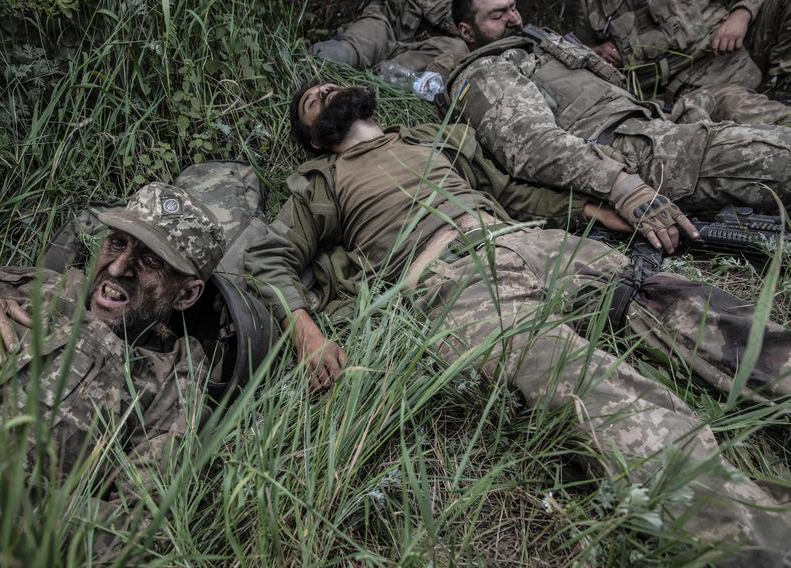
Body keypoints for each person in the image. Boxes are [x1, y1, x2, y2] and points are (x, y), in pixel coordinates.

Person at [244, 81, 791, 564]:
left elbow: (509, 194)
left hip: (534, 240)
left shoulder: (434, 138)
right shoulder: (321, 178)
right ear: (315, 138)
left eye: (330, 85)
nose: (327, 91)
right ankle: (759, 540)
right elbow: (271, 259)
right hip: (455, 277)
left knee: (696, 309)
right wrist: (307, 333)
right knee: (582, 385)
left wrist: (591, 212)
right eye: (313, 100)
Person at [0, 182, 228, 491]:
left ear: (186, 295)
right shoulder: (47, 289)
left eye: (151, 261)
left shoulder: (171, 389)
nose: (118, 267)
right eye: (117, 243)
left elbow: (128, 530)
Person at [444, 0, 791, 256]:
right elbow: (533, 145)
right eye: (497, 15)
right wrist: (622, 186)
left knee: (734, 102)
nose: (513, 18)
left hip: (657, 124)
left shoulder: (536, 48)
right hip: (637, 153)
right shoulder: (485, 70)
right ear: (466, 31)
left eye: (513, 8)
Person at [578, 0, 791, 122]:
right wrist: (595, 52)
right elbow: (577, 49)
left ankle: (783, 90)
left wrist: (742, 13)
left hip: (742, 45)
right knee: (740, 110)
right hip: (695, 87)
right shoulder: (590, 5)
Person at [310, 0, 469, 79]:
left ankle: (374, 80)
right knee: (345, 51)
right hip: (388, 23)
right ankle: (312, 64)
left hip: (428, 49)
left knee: (456, 51)